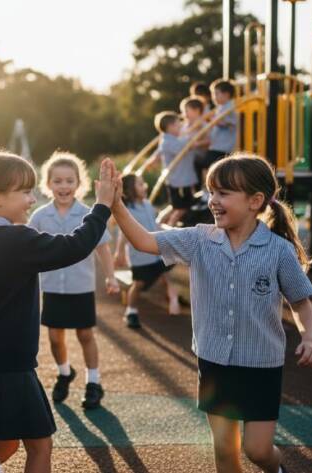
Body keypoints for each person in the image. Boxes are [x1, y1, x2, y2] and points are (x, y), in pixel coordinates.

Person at [111, 154, 312, 473]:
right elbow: (143, 241)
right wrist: (115, 204)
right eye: (211, 192)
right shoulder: (198, 239)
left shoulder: (278, 251)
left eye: (223, 193)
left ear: (255, 201)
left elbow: (301, 301)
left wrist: (310, 338)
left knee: (258, 450)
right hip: (214, 360)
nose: (213, 200)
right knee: (225, 451)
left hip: (261, 364)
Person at [0, 149, 117, 473]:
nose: (31, 199)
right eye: (25, 191)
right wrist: (102, 207)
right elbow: (75, 246)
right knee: (40, 445)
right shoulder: (16, 239)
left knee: (6, 443)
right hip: (7, 365)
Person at [28, 151, 120, 410]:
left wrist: (111, 277)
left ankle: (94, 382)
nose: (64, 186)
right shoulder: (39, 216)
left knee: (85, 334)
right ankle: (65, 372)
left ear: (79, 184)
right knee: (55, 336)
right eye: (57, 181)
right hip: (52, 286)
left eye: (69, 181)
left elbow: (102, 248)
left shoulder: (89, 214)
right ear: (48, 185)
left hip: (81, 287)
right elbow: (27, 248)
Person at [114, 173, 182, 329]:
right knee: (138, 284)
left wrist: (170, 230)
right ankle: (131, 311)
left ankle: (173, 297)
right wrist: (119, 252)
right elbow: (123, 233)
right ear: (130, 189)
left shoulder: (147, 205)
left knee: (166, 273)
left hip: (158, 253)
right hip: (141, 257)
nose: (144, 186)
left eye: (143, 183)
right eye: (140, 184)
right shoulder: (127, 210)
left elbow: (155, 225)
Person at [142, 111, 199, 228]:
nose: (181, 128)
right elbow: (182, 147)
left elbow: (159, 152)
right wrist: (192, 137)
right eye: (178, 126)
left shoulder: (169, 139)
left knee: (177, 206)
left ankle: (159, 222)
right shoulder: (169, 142)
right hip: (179, 182)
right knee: (181, 208)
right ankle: (167, 227)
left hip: (181, 180)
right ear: (170, 127)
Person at [194, 81, 238, 207]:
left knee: (206, 166)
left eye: (217, 94)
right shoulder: (220, 108)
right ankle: (208, 190)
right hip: (216, 145)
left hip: (223, 146)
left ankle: (209, 190)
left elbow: (229, 122)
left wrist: (213, 121)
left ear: (227, 94)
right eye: (213, 94)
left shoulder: (231, 107)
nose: (214, 97)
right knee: (204, 166)